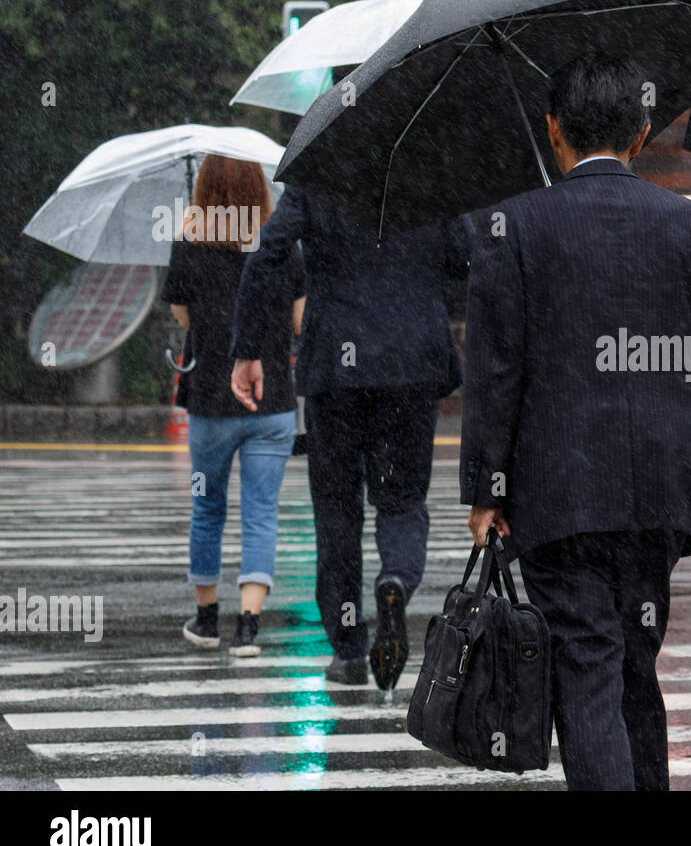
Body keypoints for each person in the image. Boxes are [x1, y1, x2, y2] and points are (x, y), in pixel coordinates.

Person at [460, 51, 691, 791]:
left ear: (553, 130)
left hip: (562, 486)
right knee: (635, 659)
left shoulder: (513, 226)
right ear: (642, 133)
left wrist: (488, 488)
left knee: (587, 665)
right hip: (663, 488)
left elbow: (495, 369)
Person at [230, 185, 471, 689]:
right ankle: (397, 581)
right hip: (411, 361)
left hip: (335, 367)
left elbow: (268, 254)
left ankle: (347, 650)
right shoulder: (425, 168)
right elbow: (466, 259)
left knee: (337, 512)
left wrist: (248, 348)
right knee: (403, 499)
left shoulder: (319, 176)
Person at [164, 155, 304, 657]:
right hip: (272, 401)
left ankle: (206, 620)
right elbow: (298, 320)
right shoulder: (279, 240)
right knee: (261, 512)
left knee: (207, 508)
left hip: (209, 400)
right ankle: (248, 625)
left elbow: (184, 314)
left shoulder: (189, 240)